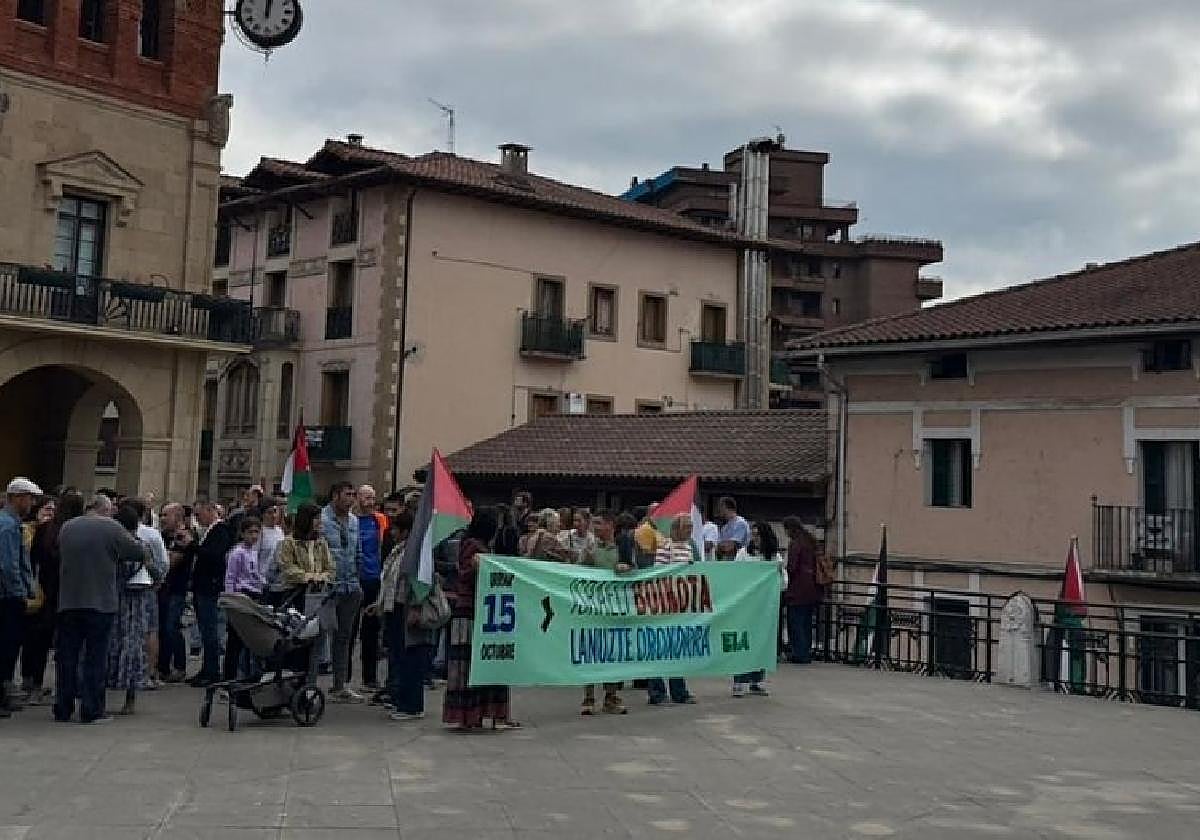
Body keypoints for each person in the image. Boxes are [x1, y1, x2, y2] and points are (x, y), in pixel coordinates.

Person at [55, 494, 145, 724]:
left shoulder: (67, 526)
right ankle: (92, 710)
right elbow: (136, 552)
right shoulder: (111, 528)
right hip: (100, 602)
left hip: (68, 601)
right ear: (106, 510)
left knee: (67, 657)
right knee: (95, 658)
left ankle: (62, 708)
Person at [443, 508, 518, 731]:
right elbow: (465, 574)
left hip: (486, 612)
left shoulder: (484, 548)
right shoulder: (472, 547)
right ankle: (469, 715)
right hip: (469, 611)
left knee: (487, 661)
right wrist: (480, 566)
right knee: (470, 664)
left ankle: (488, 713)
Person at [22, 492, 84, 704]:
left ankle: (33, 685)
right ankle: (66, 687)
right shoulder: (77, 531)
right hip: (70, 593)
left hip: (45, 590)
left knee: (38, 640)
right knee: (67, 644)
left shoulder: (45, 530)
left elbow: (32, 559)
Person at [375, 511, 435, 721]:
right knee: (398, 657)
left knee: (411, 658)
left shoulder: (416, 552)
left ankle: (412, 705)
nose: (392, 532)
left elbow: (420, 582)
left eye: (395, 529)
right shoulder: (398, 550)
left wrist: (416, 607)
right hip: (396, 607)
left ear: (406, 531)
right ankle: (400, 699)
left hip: (408, 608)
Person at [578, 510, 632, 716]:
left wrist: (627, 567)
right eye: (594, 524)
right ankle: (588, 698)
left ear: (610, 525)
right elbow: (576, 572)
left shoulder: (622, 547)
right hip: (593, 609)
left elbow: (635, 570)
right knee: (590, 653)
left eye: (599, 523)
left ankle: (611, 697)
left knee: (613, 655)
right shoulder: (590, 547)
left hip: (615, 610)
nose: (595, 528)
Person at [108, 505, 160, 715]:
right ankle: (130, 698)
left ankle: (105, 688)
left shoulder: (113, 546)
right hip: (138, 601)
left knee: (112, 645)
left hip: (116, 599)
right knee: (133, 647)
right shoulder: (142, 546)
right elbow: (156, 571)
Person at [646, 514, 698, 706]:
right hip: (665, 604)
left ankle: (679, 691)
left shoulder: (688, 547)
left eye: (691, 527)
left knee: (678, 648)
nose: (690, 531)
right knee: (659, 647)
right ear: (676, 528)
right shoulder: (665, 547)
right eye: (687, 527)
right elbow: (658, 573)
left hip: (682, 604)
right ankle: (656, 692)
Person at [321, 482, 365, 703]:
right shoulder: (322, 520)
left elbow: (357, 551)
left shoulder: (355, 521)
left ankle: (340, 684)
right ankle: (311, 684)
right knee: (320, 634)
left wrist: (358, 577)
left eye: (353, 494)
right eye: (347, 495)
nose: (351, 499)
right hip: (329, 586)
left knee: (344, 636)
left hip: (350, 585)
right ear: (335, 496)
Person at [0, 477, 39, 716]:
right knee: (6, 647)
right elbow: (7, 565)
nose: (32, 503)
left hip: (8, 594)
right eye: (29, 498)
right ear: (17, 498)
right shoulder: (7, 525)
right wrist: (20, 592)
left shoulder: (11, 523)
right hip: (7, 597)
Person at [731, 519, 780, 698]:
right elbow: (735, 576)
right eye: (753, 535)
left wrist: (779, 573)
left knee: (761, 643)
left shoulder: (774, 557)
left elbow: (782, 584)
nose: (755, 538)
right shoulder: (744, 553)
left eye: (758, 535)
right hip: (746, 606)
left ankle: (757, 680)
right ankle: (739, 681)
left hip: (764, 608)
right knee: (743, 643)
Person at [125, 498, 169, 691]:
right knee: (150, 629)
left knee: (124, 631)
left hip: (120, 587)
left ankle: (122, 672)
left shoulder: (117, 532)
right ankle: (149, 673)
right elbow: (163, 562)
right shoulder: (151, 534)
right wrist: (158, 579)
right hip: (146, 585)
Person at [188, 501, 234, 687]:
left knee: (210, 630)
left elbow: (214, 556)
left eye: (199, 515)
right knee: (205, 629)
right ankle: (206, 669)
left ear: (210, 511)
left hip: (210, 587)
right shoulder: (209, 531)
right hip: (203, 587)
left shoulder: (220, 531)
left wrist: (193, 546)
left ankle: (212, 671)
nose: (198, 519)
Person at [349, 485, 387, 690]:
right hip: (355, 578)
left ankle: (370, 678)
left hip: (374, 577)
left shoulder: (379, 520)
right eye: (367, 498)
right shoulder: (351, 521)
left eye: (373, 498)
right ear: (358, 499)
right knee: (349, 628)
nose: (370, 502)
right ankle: (343, 678)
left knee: (371, 630)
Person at [222, 516, 265, 680]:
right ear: (242, 533)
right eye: (250, 532)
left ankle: (247, 676)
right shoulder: (237, 553)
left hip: (254, 596)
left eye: (256, 532)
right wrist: (231, 600)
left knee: (250, 641)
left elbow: (255, 574)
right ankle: (229, 678)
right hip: (240, 596)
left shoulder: (253, 551)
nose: (254, 536)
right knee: (234, 642)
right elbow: (231, 577)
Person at [158, 503, 195, 682]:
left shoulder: (184, 537)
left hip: (176, 589)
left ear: (178, 518)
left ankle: (179, 666)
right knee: (162, 628)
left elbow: (171, 562)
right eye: (161, 515)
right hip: (163, 588)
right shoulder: (163, 536)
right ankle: (163, 667)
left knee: (171, 627)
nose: (162, 518)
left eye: (166, 515)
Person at [783, 517, 823, 665]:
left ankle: (799, 652)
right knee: (806, 622)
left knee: (796, 621)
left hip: (798, 589)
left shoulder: (796, 544)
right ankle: (805, 651)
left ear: (790, 529)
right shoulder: (810, 541)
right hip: (813, 588)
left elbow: (792, 567)